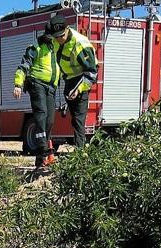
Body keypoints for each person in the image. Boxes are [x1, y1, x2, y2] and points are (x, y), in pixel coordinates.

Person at [47, 14, 98, 148]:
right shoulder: (55, 40)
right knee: (74, 119)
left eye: (61, 36)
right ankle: (79, 149)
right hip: (68, 81)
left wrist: (79, 88)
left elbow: (92, 74)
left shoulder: (80, 44)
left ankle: (80, 153)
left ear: (68, 29)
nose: (59, 40)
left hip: (81, 80)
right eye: (56, 37)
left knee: (78, 120)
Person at [14, 30, 60, 168]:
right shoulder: (35, 48)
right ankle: (41, 152)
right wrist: (18, 84)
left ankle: (46, 153)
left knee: (50, 119)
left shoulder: (55, 48)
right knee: (41, 115)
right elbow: (24, 66)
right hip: (37, 84)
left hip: (51, 88)